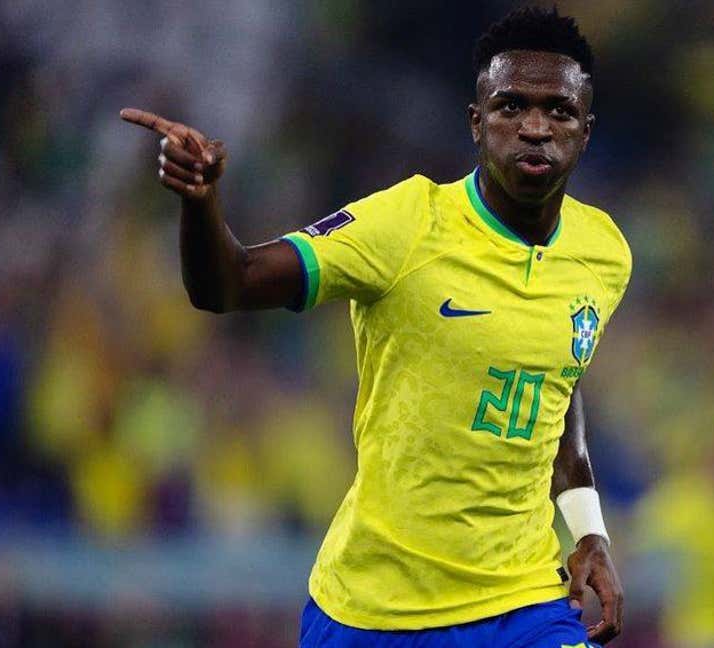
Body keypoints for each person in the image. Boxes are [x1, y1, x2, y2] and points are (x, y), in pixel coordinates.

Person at [120, 7, 629, 647]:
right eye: (510, 107)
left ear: (586, 130)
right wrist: (200, 203)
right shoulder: (406, 225)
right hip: (375, 609)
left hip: (521, 599)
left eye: (558, 111)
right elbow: (231, 284)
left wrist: (589, 532)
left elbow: (560, 380)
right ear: (477, 123)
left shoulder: (604, 253)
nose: (534, 127)